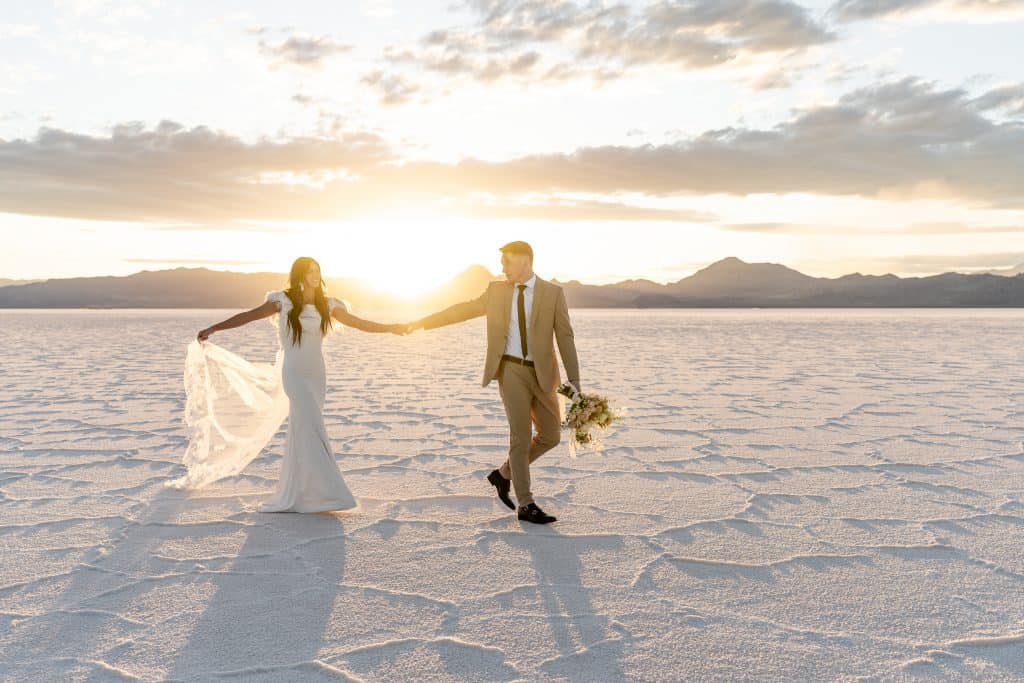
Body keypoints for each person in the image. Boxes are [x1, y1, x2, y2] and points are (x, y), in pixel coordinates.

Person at [185, 256, 405, 512]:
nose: (315, 275)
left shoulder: (328, 304)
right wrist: (215, 328)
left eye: (317, 270)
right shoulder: (284, 301)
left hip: (316, 374)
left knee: (305, 430)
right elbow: (248, 316)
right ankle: (329, 494)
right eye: (310, 271)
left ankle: (304, 494)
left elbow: (360, 324)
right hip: (294, 373)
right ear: (300, 274)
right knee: (313, 428)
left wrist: (392, 328)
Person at [407, 241, 580, 524]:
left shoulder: (552, 293)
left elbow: (565, 337)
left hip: (544, 374)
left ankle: (503, 474)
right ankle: (526, 504)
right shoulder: (496, 291)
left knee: (551, 435)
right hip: (511, 371)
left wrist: (574, 379)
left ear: (525, 261)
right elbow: (461, 311)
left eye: (507, 262)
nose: (502, 268)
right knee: (521, 438)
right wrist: (421, 323)